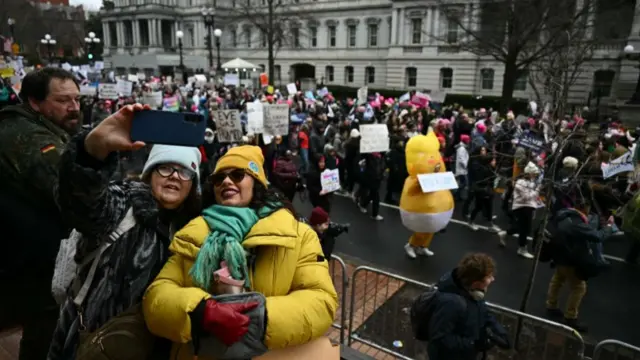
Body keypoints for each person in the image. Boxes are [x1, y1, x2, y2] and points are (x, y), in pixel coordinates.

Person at [142, 145, 338, 360]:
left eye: (237, 175)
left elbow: (322, 301)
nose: (227, 181)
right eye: (219, 178)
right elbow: (157, 297)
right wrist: (199, 311)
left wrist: (262, 319)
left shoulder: (298, 235)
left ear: (256, 184)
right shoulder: (192, 234)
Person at [47, 104, 203, 359]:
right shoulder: (122, 205)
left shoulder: (193, 229)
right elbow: (79, 201)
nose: (174, 176)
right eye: (165, 167)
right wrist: (93, 150)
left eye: (185, 171)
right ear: (150, 173)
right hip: (98, 345)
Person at [0, 67, 81, 360]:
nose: (73, 108)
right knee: (45, 335)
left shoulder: (28, 125)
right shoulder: (29, 138)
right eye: (63, 101)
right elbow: (74, 187)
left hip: (28, 254)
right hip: (26, 260)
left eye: (77, 99)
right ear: (34, 102)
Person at [545, 195, 611, 333]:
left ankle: (551, 305)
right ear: (584, 208)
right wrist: (609, 226)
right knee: (579, 288)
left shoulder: (562, 216)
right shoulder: (576, 223)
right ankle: (570, 316)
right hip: (571, 260)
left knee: (557, 280)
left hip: (559, 257)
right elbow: (598, 236)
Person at [425, 253, 509, 360]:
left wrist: (499, 332)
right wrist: (473, 343)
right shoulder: (451, 303)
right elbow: (439, 339)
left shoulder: (473, 293)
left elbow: (483, 311)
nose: (492, 279)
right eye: (488, 277)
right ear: (476, 282)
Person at [498, 161, 540, 259]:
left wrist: (534, 207)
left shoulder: (530, 182)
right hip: (521, 208)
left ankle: (505, 234)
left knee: (525, 229)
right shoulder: (520, 183)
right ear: (529, 173)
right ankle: (522, 249)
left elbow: (531, 197)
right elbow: (527, 197)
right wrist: (537, 190)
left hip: (528, 207)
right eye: (534, 173)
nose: (535, 175)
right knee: (524, 229)